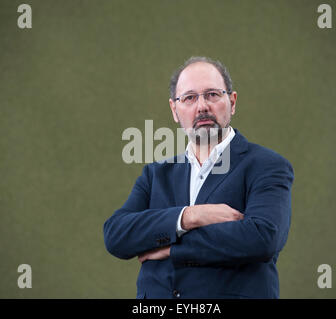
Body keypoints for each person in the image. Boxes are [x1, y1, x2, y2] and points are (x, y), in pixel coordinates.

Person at [104, 56, 294, 299]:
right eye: (190, 98)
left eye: (212, 94)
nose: (202, 106)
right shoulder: (156, 174)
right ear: (175, 110)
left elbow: (263, 237)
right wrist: (189, 216)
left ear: (232, 102)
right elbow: (116, 235)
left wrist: (172, 249)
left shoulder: (267, 165)